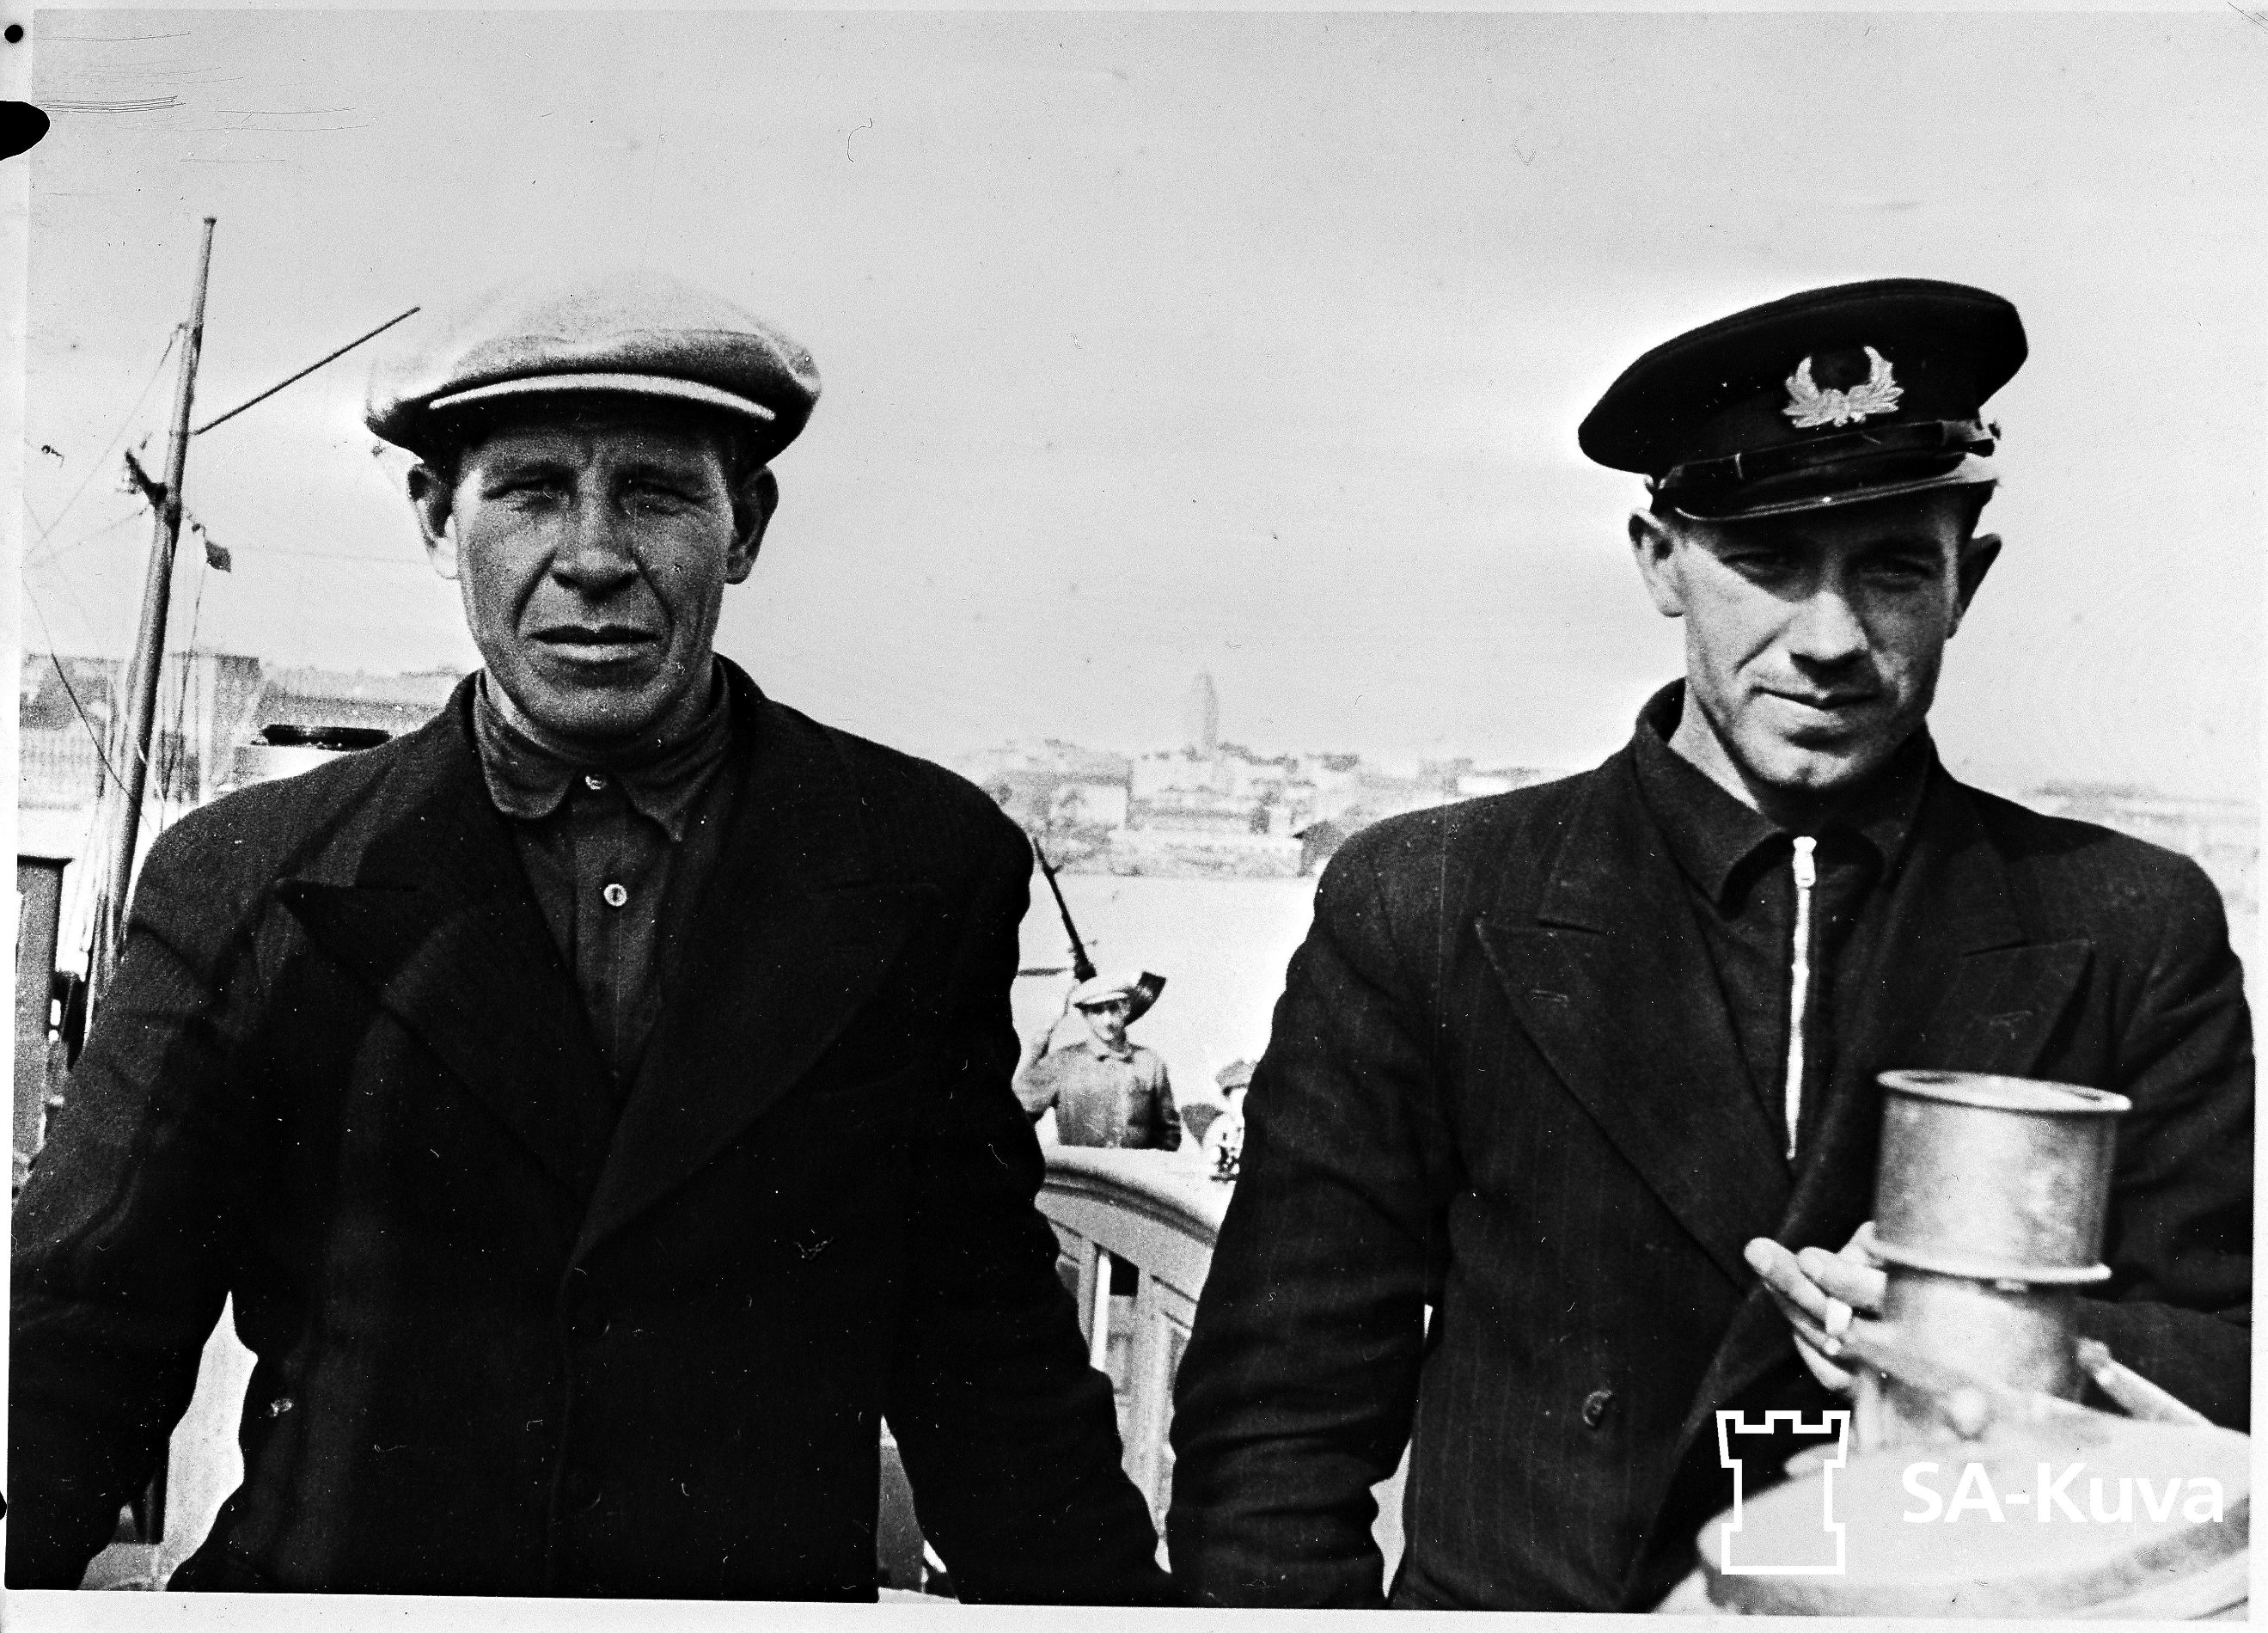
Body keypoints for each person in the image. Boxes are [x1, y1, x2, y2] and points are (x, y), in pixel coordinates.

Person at [8, 270, 1175, 1604]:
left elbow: (985, 1352)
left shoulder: (917, 866)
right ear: (438, 519)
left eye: (657, 495)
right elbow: (76, 1336)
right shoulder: (248, 877)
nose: (595, 556)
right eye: (532, 491)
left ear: (746, 527)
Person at [1165, 278, 2253, 1610]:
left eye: (1891, 568)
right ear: (1656, 560)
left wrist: (1997, 1352)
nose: (1828, 640)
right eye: (1765, 562)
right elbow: (1275, 1430)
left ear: (1966, 581)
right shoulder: (1430, 901)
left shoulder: (2127, 923)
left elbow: (2229, 1359)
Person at [1017, 972, 1180, 1151]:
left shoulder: (1150, 1063)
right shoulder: (1061, 1062)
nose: (1107, 1020)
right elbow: (1016, 1116)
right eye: (1097, 1011)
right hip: (1080, 1168)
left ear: (1126, 1008)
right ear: (1085, 1015)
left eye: (1114, 1008)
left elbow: (1169, 1134)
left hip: (1133, 1168)